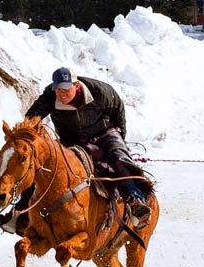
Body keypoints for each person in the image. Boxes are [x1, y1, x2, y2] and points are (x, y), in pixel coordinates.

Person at [16, 66, 152, 221]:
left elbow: (117, 109)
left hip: (105, 133)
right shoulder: (50, 96)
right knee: (44, 164)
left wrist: (121, 136)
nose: (61, 93)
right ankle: (22, 210)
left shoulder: (99, 91)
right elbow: (33, 115)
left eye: (66, 89)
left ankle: (136, 199)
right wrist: (25, 131)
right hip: (72, 140)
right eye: (58, 89)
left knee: (119, 158)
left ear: (76, 85)